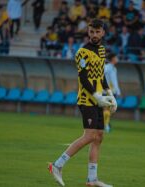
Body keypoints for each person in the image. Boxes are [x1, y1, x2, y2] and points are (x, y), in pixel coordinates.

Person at [48, 19, 117, 187]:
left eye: (97, 32)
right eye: (91, 32)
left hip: (99, 99)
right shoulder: (82, 52)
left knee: (98, 137)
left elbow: (101, 75)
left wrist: (110, 94)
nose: (94, 35)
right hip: (87, 99)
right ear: (88, 32)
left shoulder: (101, 50)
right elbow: (83, 78)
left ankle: (92, 180)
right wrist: (96, 96)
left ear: (103, 33)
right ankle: (57, 165)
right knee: (90, 135)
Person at [103, 53, 121, 133]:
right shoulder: (109, 68)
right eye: (116, 57)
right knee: (107, 109)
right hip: (108, 91)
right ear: (113, 59)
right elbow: (113, 81)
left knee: (107, 109)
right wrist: (118, 90)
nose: (117, 59)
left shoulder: (111, 68)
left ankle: (106, 124)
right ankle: (106, 126)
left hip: (107, 91)